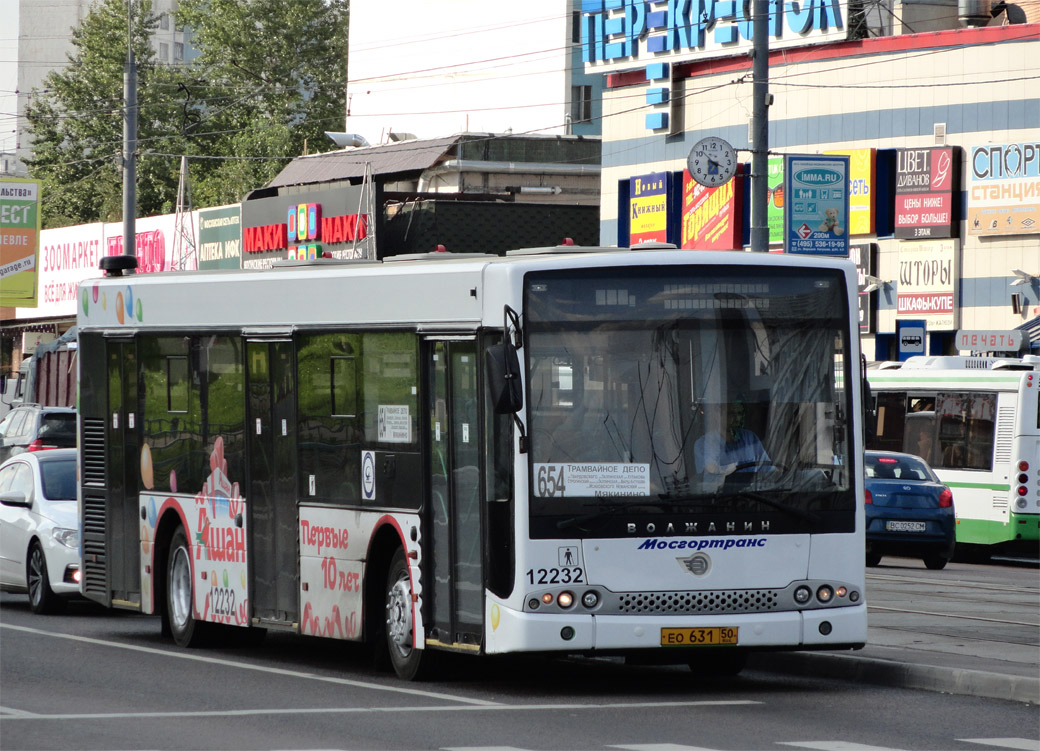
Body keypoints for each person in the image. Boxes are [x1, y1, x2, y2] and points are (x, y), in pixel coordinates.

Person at [694, 401, 771, 488]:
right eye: (731, 414)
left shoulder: (750, 438)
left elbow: (768, 469)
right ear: (718, 414)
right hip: (723, 498)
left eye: (740, 413)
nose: (737, 419)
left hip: (754, 496)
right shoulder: (703, 444)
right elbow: (708, 483)